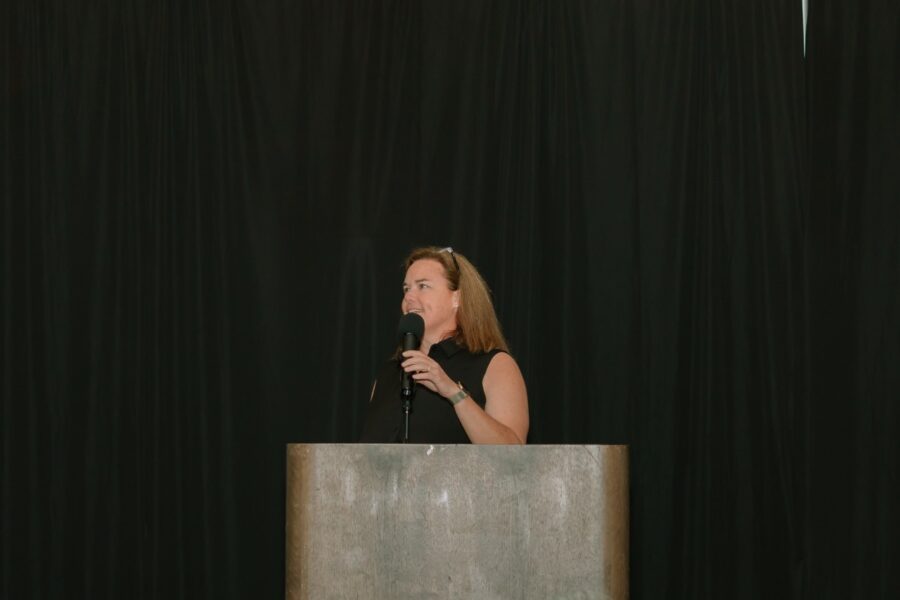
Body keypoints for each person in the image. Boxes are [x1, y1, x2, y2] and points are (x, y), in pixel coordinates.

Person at [359, 246, 528, 444]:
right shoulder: (388, 375)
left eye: (423, 286)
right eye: (406, 289)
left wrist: (453, 393)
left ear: (457, 298)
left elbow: (513, 457)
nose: (408, 298)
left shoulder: (495, 365)